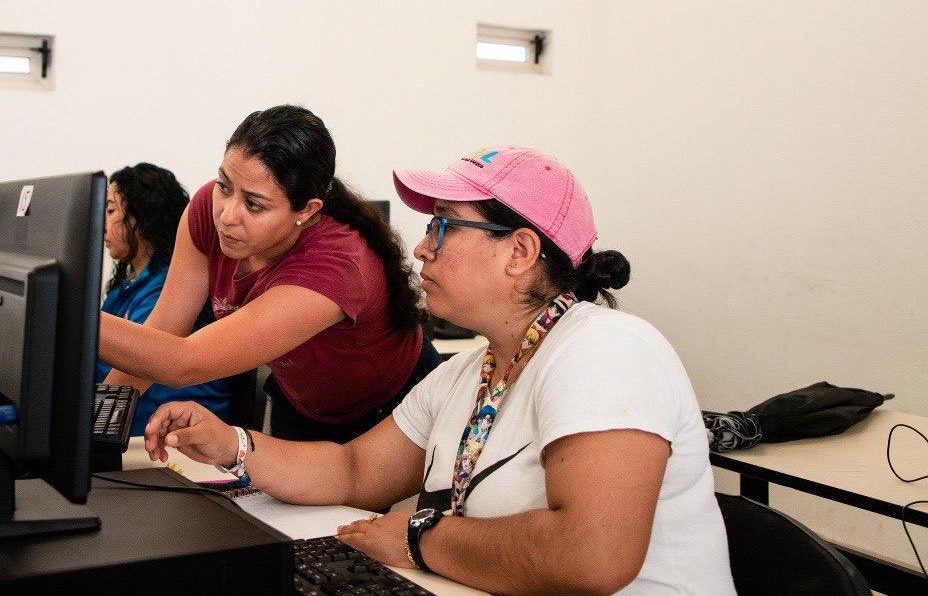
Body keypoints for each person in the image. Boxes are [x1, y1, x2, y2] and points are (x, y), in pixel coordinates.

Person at [143, 145, 735, 594]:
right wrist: (232, 445)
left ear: (520, 252)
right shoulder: (467, 373)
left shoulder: (605, 349)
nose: (423, 248)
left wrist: (418, 538)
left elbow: (594, 552)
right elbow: (353, 470)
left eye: (444, 226)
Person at [100, 105, 441, 442]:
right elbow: (162, 336)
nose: (227, 215)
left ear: (306, 211)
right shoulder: (207, 210)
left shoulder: (335, 265)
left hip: (387, 404)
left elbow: (184, 362)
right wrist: (95, 428)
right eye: (224, 185)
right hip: (300, 400)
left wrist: (65, 310)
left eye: (254, 205)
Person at [97, 163, 231, 435]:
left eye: (111, 210)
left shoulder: (163, 288)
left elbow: (137, 366)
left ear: (140, 217)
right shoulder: (128, 284)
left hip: (164, 430)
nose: (102, 222)